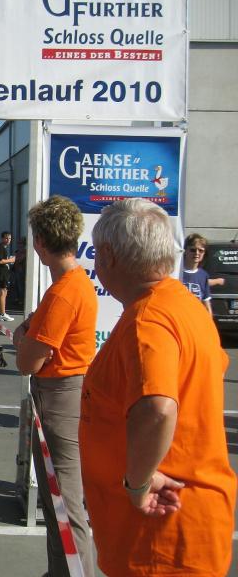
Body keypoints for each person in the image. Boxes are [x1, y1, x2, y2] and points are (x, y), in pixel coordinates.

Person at [80, 198, 236, 576]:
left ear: (110, 256)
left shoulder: (147, 321)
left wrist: (138, 484)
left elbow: (158, 408)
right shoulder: (183, 305)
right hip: (181, 524)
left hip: (158, 535)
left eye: (97, 253)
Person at [12, 196, 96, 577]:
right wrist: (28, 334)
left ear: (40, 242)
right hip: (63, 395)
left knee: (64, 504)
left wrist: (23, 339)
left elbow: (27, 361)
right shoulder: (72, 284)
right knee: (56, 500)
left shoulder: (63, 292)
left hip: (59, 398)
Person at [180, 233, 215, 316]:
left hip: (195, 318)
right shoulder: (176, 272)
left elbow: (206, 304)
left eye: (201, 250)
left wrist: (209, 321)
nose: (197, 253)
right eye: (193, 250)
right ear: (185, 251)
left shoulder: (203, 275)